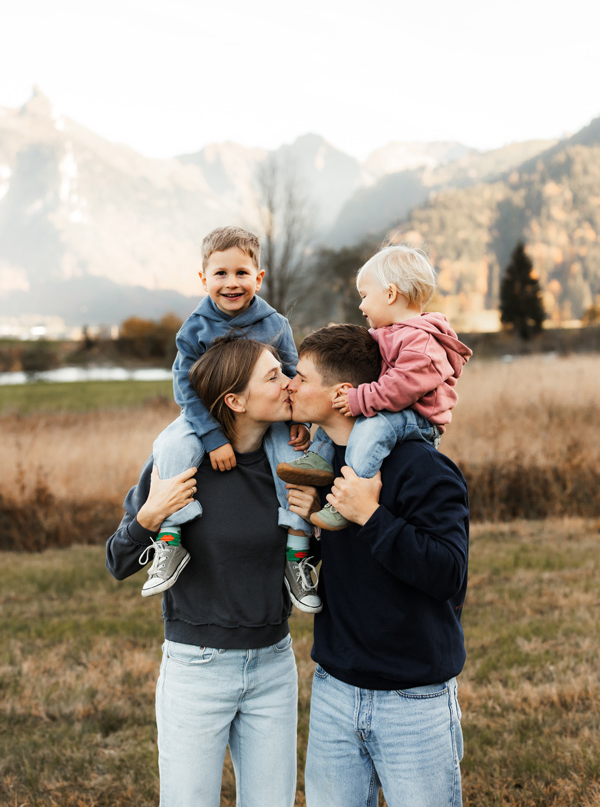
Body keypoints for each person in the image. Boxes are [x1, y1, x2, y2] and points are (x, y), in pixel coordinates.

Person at [106, 336, 319, 807]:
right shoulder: (181, 462)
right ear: (235, 400)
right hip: (196, 669)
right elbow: (117, 561)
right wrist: (149, 516)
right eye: (273, 377)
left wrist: (318, 526)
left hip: (273, 666)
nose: (289, 384)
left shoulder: (295, 468)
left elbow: (309, 560)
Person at [285, 323, 469, 807]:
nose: (291, 385)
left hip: (413, 699)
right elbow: (351, 566)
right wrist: (315, 524)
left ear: (342, 393)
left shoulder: (420, 466)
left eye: (301, 378)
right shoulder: (327, 465)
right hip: (334, 690)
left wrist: (369, 515)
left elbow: (449, 572)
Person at [144, 225, 320, 613]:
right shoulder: (194, 328)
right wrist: (211, 437)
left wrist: (299, 420)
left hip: (264, 416)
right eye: (220, 273)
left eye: (241, 273)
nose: (231, 282)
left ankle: (297, 553)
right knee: (171, 446)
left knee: (292, 461)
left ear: (258, 277)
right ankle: (170, 540)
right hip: (203, 417)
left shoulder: (275, 324)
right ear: (203, 278)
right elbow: (185, 386)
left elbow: (290, 374)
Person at [277, 243, 472, 530]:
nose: (361, 305)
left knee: (373, 426)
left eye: (365, 296)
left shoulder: (422, 342)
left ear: (390, 294)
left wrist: (361, 398)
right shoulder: (388, 333)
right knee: (344, 424)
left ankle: (350, 494)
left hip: (418, 416)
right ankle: (320, 459)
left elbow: (403, 385)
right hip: (395, 406)